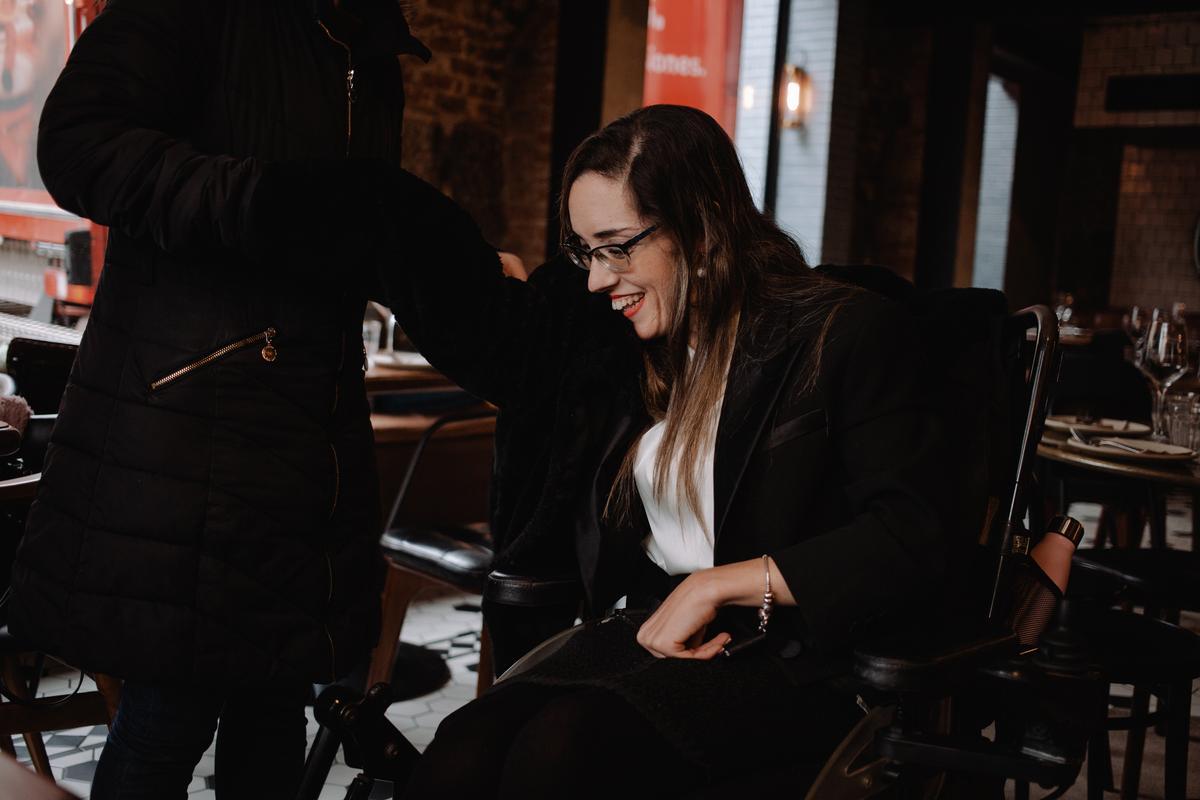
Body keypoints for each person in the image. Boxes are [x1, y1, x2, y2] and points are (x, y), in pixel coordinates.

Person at [366, 104, 949, 797]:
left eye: (618, 246)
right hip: (648, 629)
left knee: (560, 754)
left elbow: (915, 537)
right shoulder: (634, 348)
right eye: (586, 251)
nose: (597, 279)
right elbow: (514, 356)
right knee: (460, 754)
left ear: (701, 225)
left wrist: (724, 581)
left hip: (793, 657)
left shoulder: (842, 333)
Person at [7, 1, 429, 798]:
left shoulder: (370, 51)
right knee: (170, 715)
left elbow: (352, 228)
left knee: (274, 717)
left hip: (311, 441)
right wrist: (256, 198)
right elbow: (75, 144)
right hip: (190, 430)